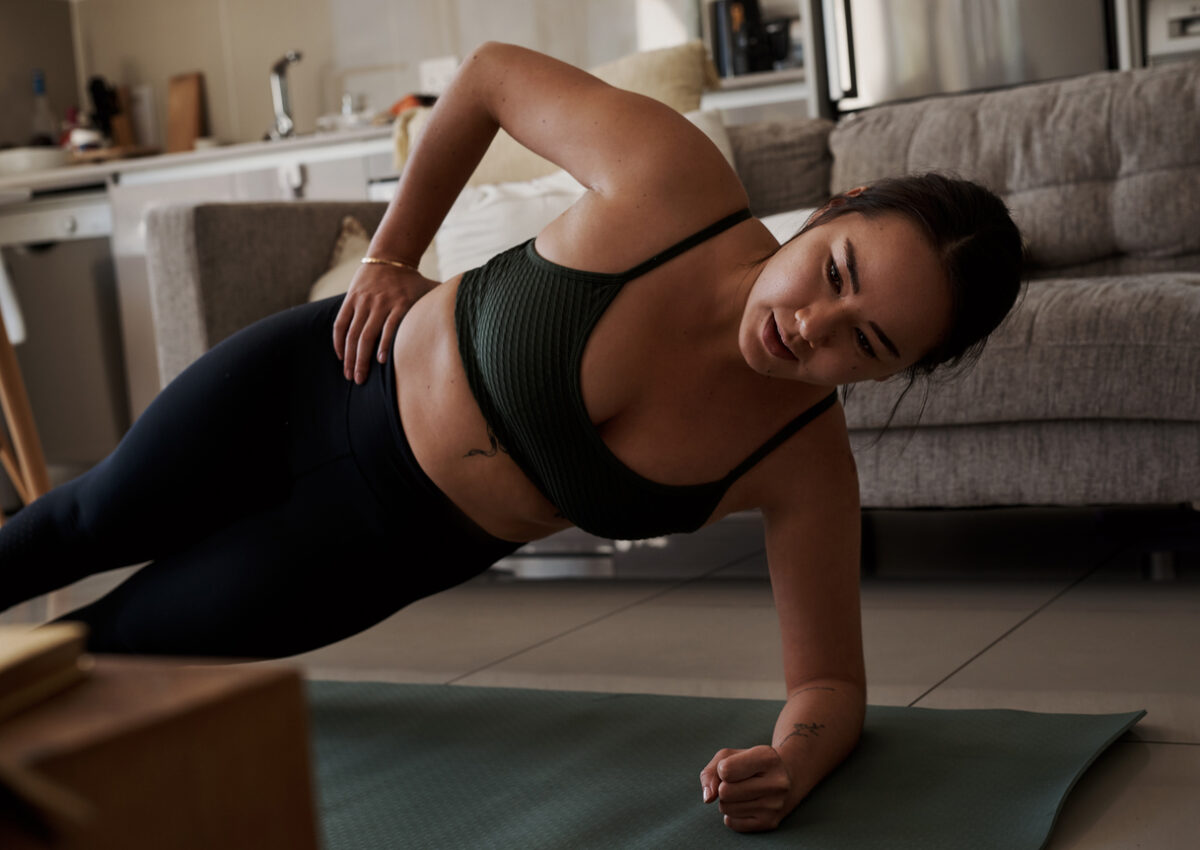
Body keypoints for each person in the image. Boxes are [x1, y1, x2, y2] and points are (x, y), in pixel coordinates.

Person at [0, 43, 1023, 832]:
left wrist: (795, 758)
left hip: (375, 548)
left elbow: (830, 685)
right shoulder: (675, 182)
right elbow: (488, 78)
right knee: (70, 523)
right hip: (317, 380)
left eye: (869, 344)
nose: (813, 328)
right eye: (835, 273)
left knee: (111, 650)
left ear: (892, 375)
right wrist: (392, 255)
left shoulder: (805, 460)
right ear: (834, 210)